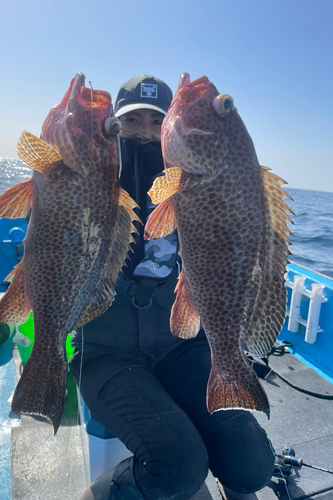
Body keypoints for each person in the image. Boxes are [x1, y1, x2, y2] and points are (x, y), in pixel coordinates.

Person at [69, 75, 275, 500]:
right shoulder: (89, 176)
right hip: (108, 356)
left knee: (252, 462)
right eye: (131, 122)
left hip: (183, 345)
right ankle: (104, 493)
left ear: (169, 127)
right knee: (180, 465)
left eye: (154, 121)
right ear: (114, 126)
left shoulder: (187, 181)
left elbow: (241, 238)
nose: (144, 132)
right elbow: (54, 250)